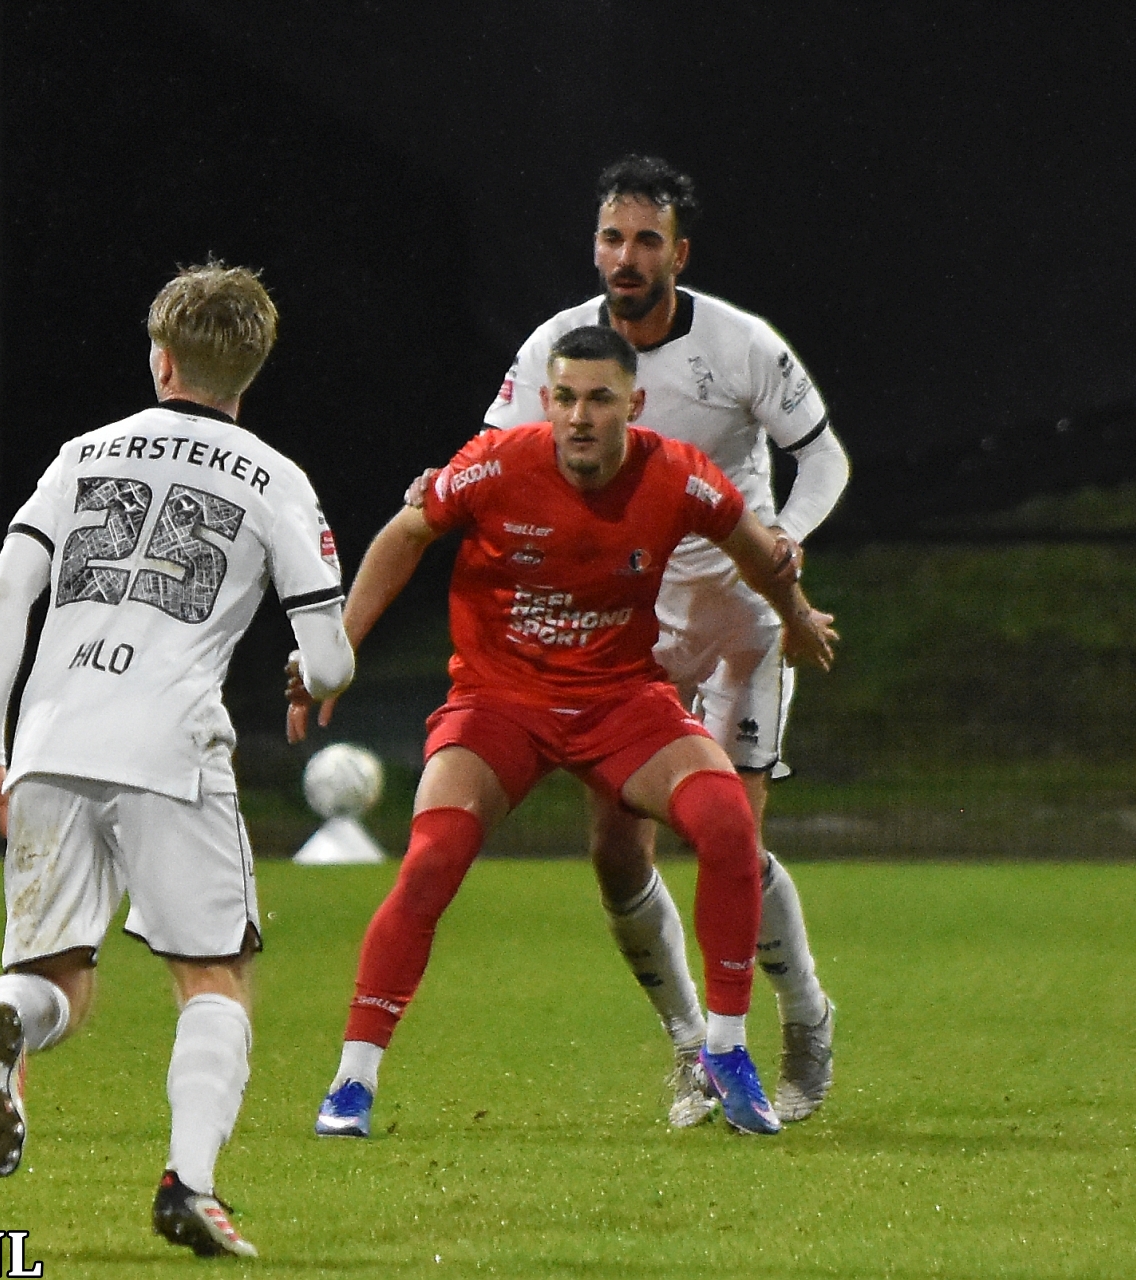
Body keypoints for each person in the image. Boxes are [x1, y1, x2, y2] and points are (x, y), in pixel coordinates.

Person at [293, 325, 837, 1138]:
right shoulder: (497, 463)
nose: (580, 416)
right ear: (546, 401)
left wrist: (794, 616)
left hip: (620, 700)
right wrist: (334, 650)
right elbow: (406, 536)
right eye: (566, 398)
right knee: (432, 858)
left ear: (634, 405)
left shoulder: (678, 475)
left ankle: (726, 1050)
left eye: (600, 399)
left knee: (726, 820)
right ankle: (352, 1083)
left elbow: (757, 549)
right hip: (498, 701)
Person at [0, 261, 353, 1259]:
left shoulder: (82, 452)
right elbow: (331, 649)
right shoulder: (278, 479)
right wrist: (312, 673)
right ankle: (190, 1183)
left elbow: (7, 596)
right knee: (213, 973)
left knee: (57, 979)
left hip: (50, 741)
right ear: (248, 371)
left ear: (160, 359)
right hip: (172, 744)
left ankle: (5, 1018)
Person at [482, 156, 851, 1127]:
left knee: (730, 831)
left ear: (680, 253)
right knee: (612, 850)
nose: (627, 256)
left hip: (738, 622)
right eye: (613, 237)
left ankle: (804, 1015)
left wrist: (790, 539)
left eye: (648, 239)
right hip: (630, 631)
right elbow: (493, 457)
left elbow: (824, 457)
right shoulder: (561, 349)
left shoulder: (739, 346)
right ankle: (692, 1046)